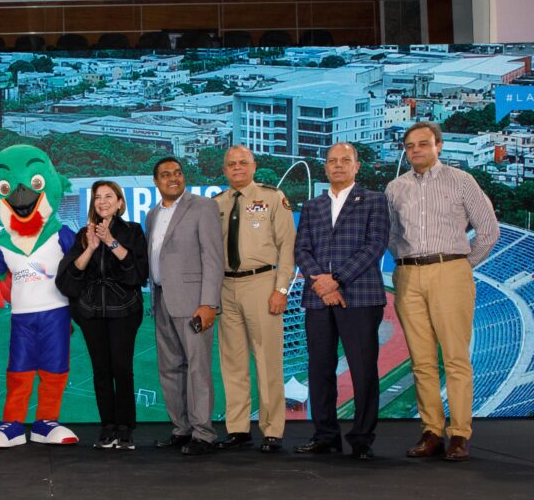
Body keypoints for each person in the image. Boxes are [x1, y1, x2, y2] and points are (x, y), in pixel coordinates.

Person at [386, 121, 499, 462]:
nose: (416, 150)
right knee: (421, 361)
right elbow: (391, 235)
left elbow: (488, 230)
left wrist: (461, 266)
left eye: (423, 143)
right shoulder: (395, 188)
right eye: (410, 146)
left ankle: (460, 434)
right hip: (408, 274)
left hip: (450, 270)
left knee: (455, 358)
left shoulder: (461, 180)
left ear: (439, 146)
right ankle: (432, 431)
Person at [293, 143, 390, 460]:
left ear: (356, 166)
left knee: (363, 370)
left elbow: (375, 245)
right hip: (318, 298)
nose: (338, 165)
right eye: (332, 160)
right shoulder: (313, 206)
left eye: (345, 160)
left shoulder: (374, 200)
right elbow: (301, 250)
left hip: (360, 297)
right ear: (325, 167)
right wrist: (322, 284)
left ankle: (362, 439)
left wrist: (336, 279)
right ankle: (325, 436)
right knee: (319, 369)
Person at [214, 145, 296, 454]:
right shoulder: (217, 203)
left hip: (262, 283)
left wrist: (281, 289)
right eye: (231, 164)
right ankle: (237, 429)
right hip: (226, 286)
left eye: (243, 162)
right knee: (233, 363)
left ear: (254, 166)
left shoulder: (273, 198)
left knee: (267, 361)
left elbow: (287, 247)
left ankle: (272, 430)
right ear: (224, 170)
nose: (237, 168)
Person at [56, 180, 149, 449]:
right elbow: (70, 276)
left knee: (122, 368)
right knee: (101, 370)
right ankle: (107, 426)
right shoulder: (83, 234)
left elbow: (138, 273)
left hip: (124, 311)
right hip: (92, 312)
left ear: (119, 203)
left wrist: (111, 242)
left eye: (109, 196)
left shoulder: (133, 231)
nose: (103, 201)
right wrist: (91, 248)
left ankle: (125, 428)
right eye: (98, 197)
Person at [146, 157, 224, 456]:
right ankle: (182, 429)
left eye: (177, 173)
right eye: (166, 174)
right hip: (162, 299)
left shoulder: (203, 207)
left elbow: (213, 258)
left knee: (197, 369)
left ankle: (203, 433)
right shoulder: (153, 214)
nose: (173, 178)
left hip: (193, 303)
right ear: (156, 181)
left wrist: (209, 303)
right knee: (169, 368)